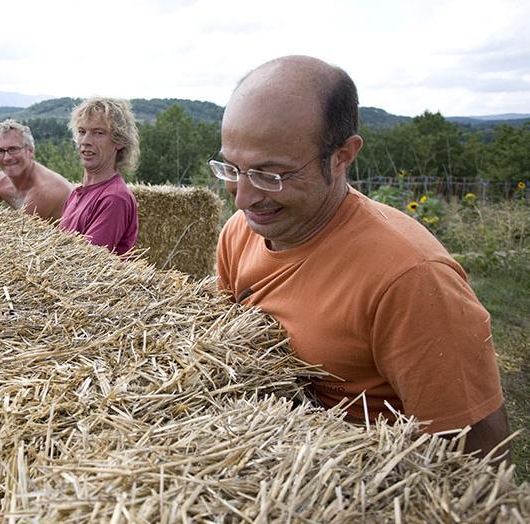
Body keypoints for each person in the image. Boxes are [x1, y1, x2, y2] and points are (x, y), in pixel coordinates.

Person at [213, 55, 507, 458]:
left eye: (271, 175)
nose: (243, 198)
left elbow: (478, 454)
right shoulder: (240, 233)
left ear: (342, 157)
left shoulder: (411, 278)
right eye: (232, 169)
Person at [58, 97, 139, 255]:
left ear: (120, 141)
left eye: (98, 133)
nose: (85, 141)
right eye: (82, 132)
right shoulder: (77, 193)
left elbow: (84, 265)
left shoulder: (114, 198)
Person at [0, 119, 73, 221]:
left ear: (30, 151)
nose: (7, 158)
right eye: (0, 151)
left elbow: (18, 233)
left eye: (13, 149)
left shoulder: (44, 190)